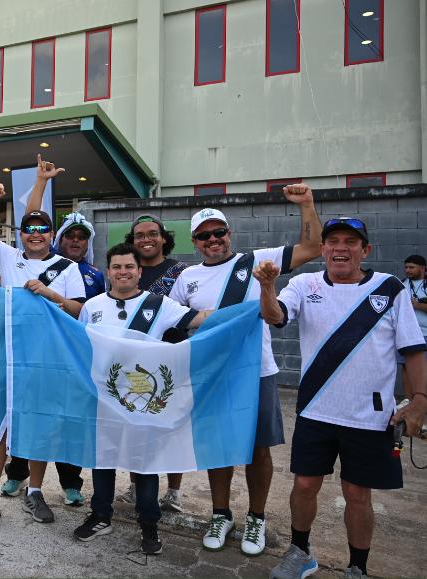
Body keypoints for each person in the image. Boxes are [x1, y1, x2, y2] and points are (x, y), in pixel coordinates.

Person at [256, 218, 427, 579]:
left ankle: (357, 568)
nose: (340, 248)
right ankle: (300, 552)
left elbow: (413, 351)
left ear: (365, 251)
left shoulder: (390, 288)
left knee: (357, 494)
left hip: (369, 416)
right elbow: (275, 316)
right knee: (304, 485)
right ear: (323, 250)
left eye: (351, 242)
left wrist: (419, 401)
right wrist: (268, 287)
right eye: (333, 241)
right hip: (315, 411)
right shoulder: (304, 284)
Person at [169, 184, 322, 557]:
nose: (213, 240)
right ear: (195, 241)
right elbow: (172, 322)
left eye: (219, 232)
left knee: (257, 449)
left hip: (257, 371)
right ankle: (221, 514)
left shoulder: (257, 259)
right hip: (212, 373)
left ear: (229, 234)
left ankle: (256, 516)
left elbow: (312, 248)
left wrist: (306, 204)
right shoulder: (187, 277)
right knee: (219, 448)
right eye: (204, 236)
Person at [75, 243, 212, 554]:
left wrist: (249, 309)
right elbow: (81, 349)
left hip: (145, 401)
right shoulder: (92, 306)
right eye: (117, 267)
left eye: (129, 267)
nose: (123, 272)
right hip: (105, 399)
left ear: (139, 272)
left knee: (146, 463)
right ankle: (100, 515)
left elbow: (200, 318)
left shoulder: (160, 304)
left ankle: (149, 524)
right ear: (107, 272)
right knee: (103, 459)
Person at [0, 180, 86, 527]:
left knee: (40, 423)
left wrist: (50, 295)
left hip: (47, 357)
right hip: (6, 354)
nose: (35, 234)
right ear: (20, 234)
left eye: (42, 229)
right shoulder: (8, 256)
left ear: (52, 234)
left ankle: (35, 492)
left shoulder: (68, 267)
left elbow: (79, 310)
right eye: (29, 229)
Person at [0, 157, 106, 507]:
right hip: (27, 349)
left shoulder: (93, 274)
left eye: (81, 237)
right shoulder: (42, 257)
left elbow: (87, 312)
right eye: (69, 236)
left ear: (88, 242)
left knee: (65, 417)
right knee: (25, 413)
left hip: (66, 350)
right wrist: (42, 182)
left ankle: (70, 481)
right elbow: (31, 219)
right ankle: (18, 474)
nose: (75, 241)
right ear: (58, 239)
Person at [120, 213, 189, 511]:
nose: (146, 239)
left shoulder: (182, 272)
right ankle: (136, 487)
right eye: (139, 235)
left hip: (171, 360)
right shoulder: (126, 271)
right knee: (136, 426)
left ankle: (173, 492)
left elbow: (192, 314)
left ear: (164, 238)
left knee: (172, 429)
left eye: (152, 234)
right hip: (135, 364)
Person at [400, 255, 427, 402]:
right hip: (408, 333)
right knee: (406, 367)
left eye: (412, 267)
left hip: (425, 333)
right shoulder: (401, 284)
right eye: (406, 267)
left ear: (423, 268)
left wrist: (418, 305)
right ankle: (408, 400)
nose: (408, 270)